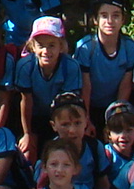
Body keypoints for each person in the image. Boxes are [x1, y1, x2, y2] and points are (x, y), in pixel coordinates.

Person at [10, 16, 81, 150]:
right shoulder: (25, 66)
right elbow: (26, 101)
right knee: (27, 151)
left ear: (61, 46)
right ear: (33, 47)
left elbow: (68, 104)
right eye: (41, 46)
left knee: (65, 149)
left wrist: (65, 132)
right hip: (32, 117)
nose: (46, 51)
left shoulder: (71, 66)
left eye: (51, 45)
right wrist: (27, 133)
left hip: (60, 118)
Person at [76, 0, 134, 121]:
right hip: (89, 106)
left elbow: (125, 85)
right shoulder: (85, 47)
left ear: (123, 19)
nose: (110, 21)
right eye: (104, 16)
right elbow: (85, 86)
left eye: (116, 15)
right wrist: (86, 118)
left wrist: (117, 115)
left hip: (116, 106)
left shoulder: (130, 48)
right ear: (95, 19)